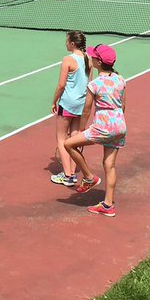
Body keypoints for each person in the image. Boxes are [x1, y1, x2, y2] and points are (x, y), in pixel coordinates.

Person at [62, 44, 127, 216]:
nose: (90, 58)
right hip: (119, 126)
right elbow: (123, 105)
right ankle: (107, 206)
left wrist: (81, 129)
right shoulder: (120, 79)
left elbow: (86, 110)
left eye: (92, 57)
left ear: (98, 62)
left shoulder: (94, 84)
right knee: (109, 165)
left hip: (103, 127)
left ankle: (89, 177)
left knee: (68, 144)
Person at [50, 31, 90, 187]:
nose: (65, 43)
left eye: (67, 41)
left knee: (61, 139)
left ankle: (68, 176)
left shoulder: (68, 60)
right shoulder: (89, 60)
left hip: (67, 104)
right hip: (81, 105)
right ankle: (73, 172)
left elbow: (61, 85)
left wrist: (54, 101)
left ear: (73, 44)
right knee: (74, 139)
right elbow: (89, 84)